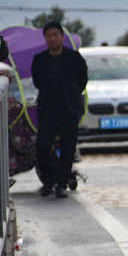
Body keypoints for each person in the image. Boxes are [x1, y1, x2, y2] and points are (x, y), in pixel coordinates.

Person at [31, 21, 87, 199]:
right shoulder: (40, 59)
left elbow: (82, 79)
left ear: (62, 37)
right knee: (42, 147)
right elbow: (37, 82)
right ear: (45, 38)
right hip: (48, 110)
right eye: (49, 35)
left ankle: (62, 185)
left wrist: (72, 94)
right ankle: (48, 181)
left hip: (69, 110)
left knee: (68, 149)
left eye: (56, 35)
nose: (53, 38)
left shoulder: (73, 57)